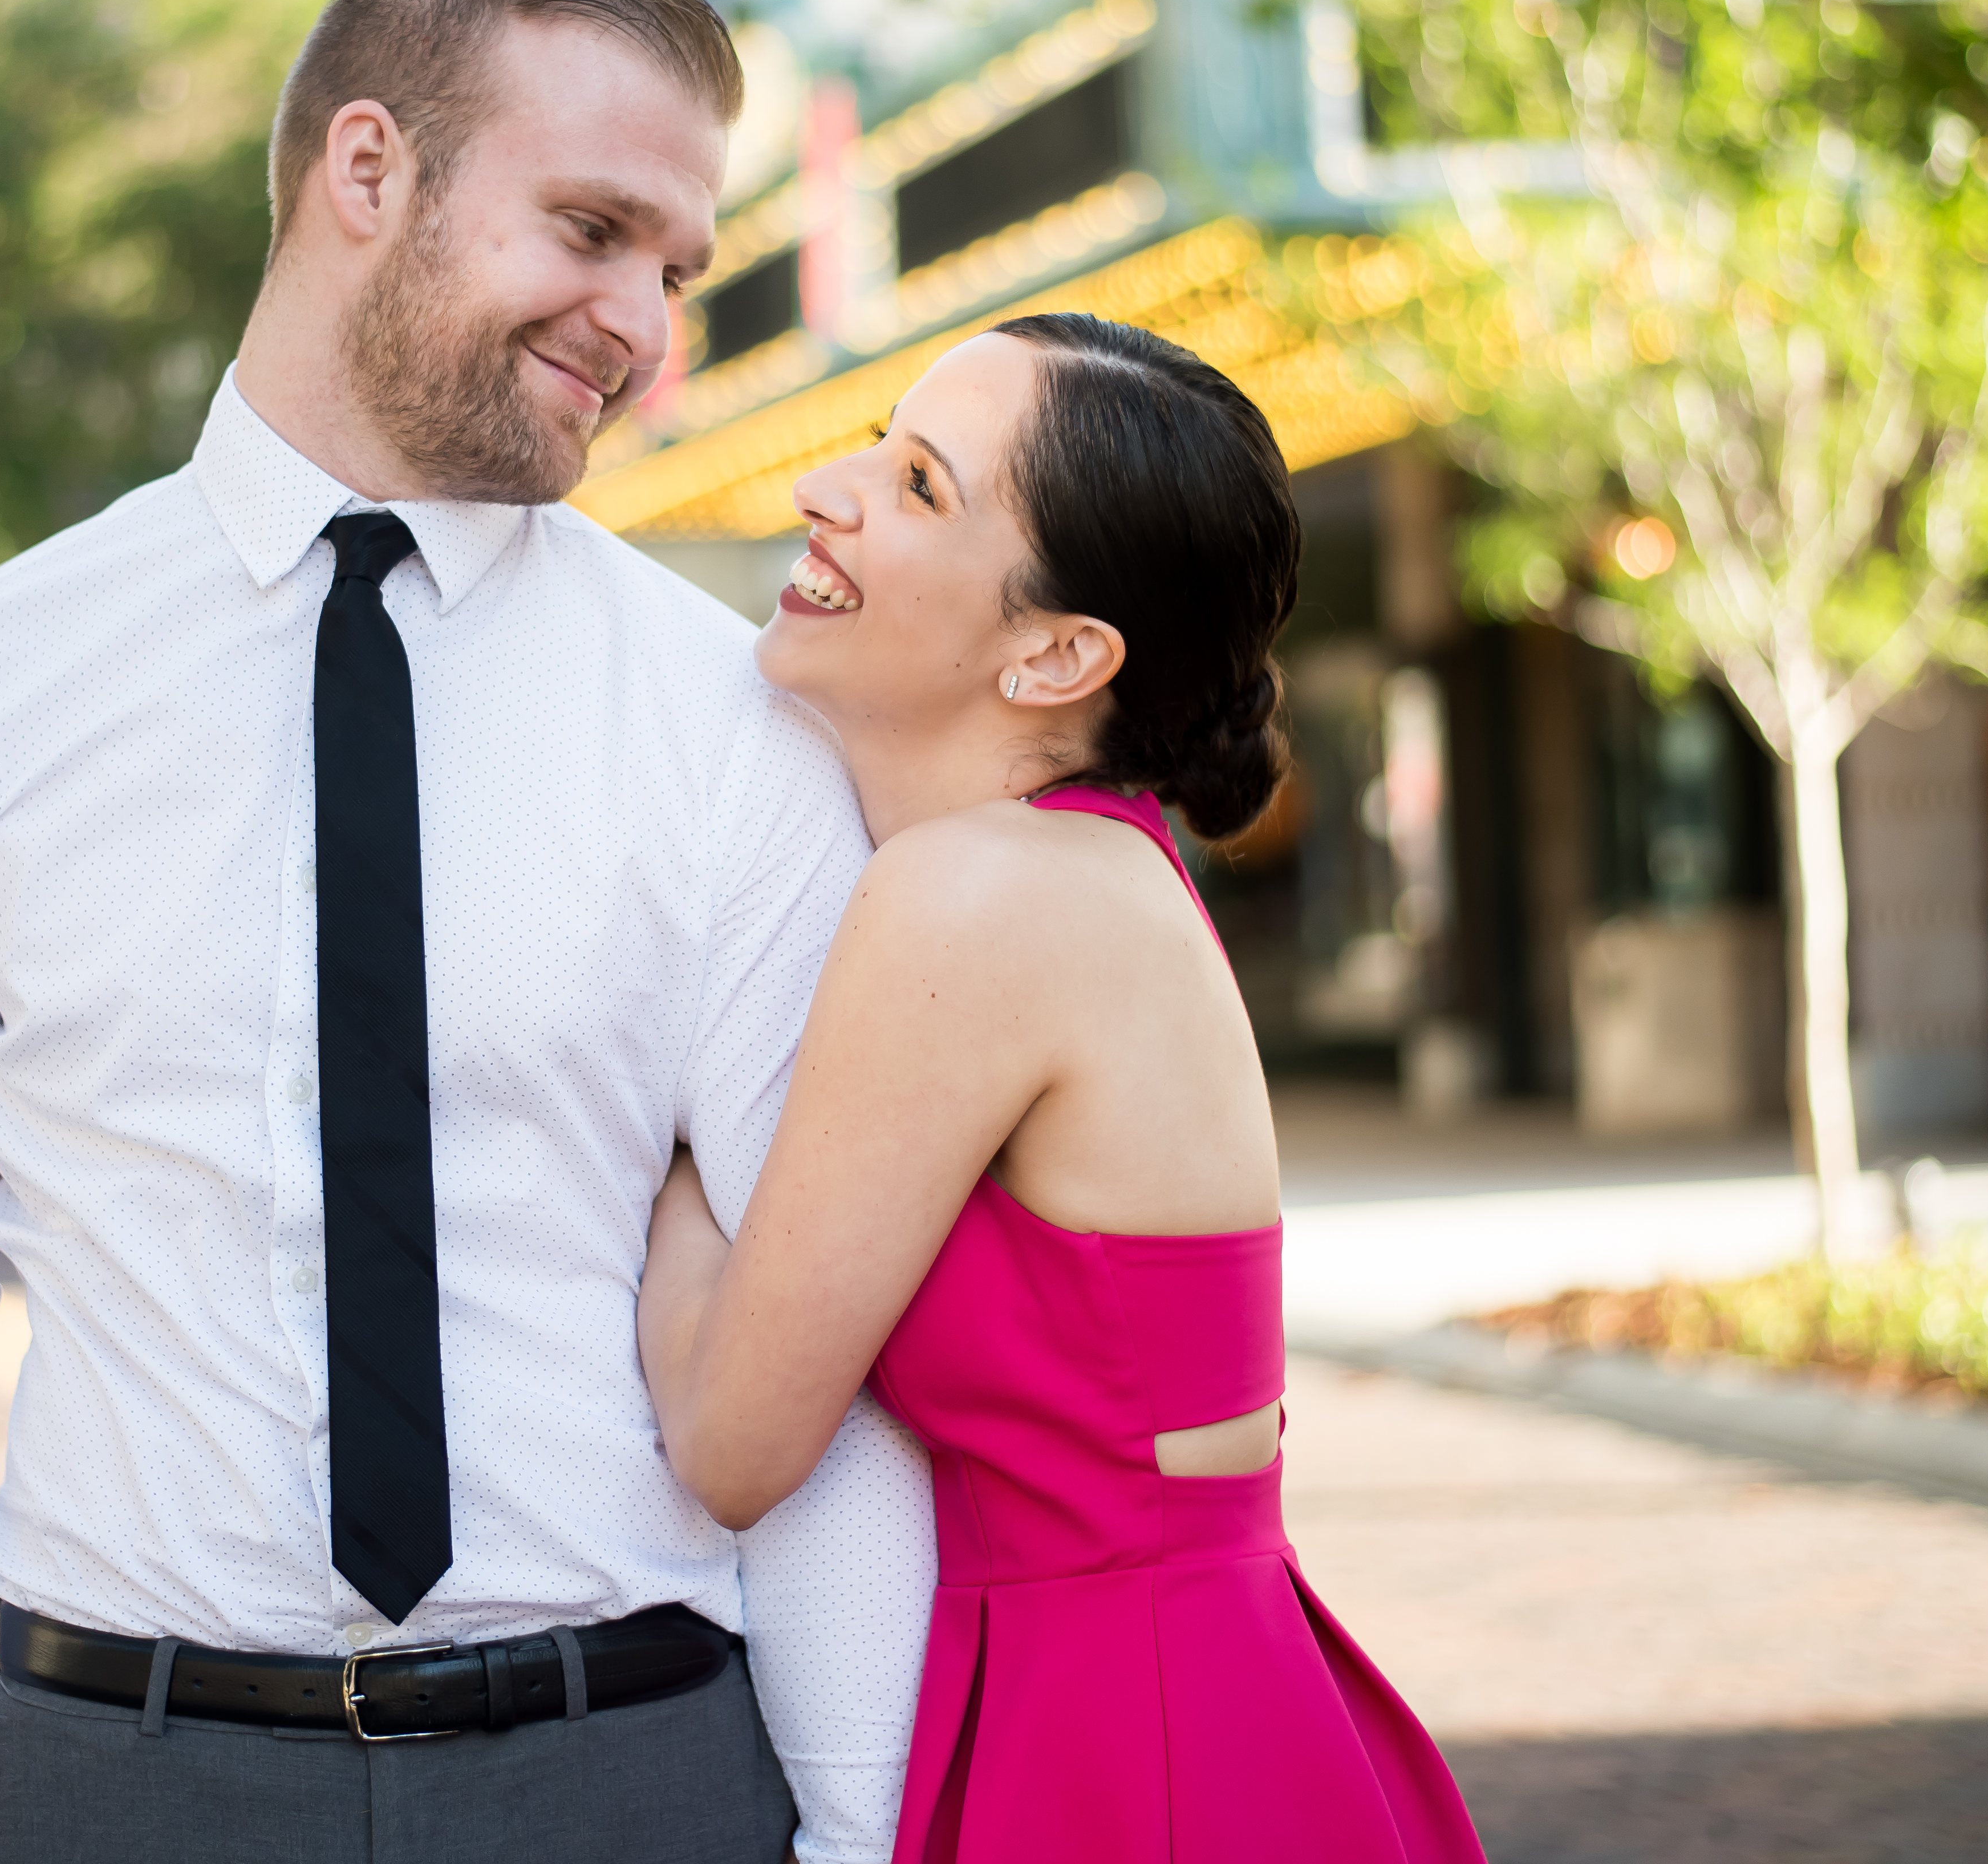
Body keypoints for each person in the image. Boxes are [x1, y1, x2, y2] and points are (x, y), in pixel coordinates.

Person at [0, 0, 937, 1864]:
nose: (648, 326)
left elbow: (834, 1353)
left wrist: (867, 1845)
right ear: (371, 170)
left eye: (678, 267)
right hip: (128, 1784)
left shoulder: (736, 726)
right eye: (596, 230)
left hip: (630, 1775)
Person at [638, 314, 1490, 1863]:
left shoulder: (977, 900)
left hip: (1119, 1733)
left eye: (915, 486)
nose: (825, 491)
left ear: (1055, 652)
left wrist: (675, 1129)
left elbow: (729, 1446)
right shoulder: (1091, 872)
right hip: (1184, 1691)